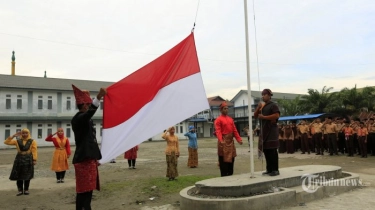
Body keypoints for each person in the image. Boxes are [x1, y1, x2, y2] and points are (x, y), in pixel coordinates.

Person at [71, 84, 106, 210]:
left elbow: (91, 140)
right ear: (85, 106)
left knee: (89, 190)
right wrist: (98, 97)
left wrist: (95, 157)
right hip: (83, 160)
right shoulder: (78, 119)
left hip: (89, 159)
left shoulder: (85, 119)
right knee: (83, 191)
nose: (90, 105)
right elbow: (89, 114)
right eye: (89, 103)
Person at [254, 89, 280, 176]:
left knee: (272, 150)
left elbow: (276, 115)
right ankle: (269, 169)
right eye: (262, 94)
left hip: (271, 131)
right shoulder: (262, 106)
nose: (263, 96)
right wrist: (258, 107)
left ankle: (275, 170)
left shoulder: (273, 105)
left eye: (264, 94)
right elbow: (255, 116)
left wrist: (264, 117)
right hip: (263, 131)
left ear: (269, 95)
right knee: (266, 150)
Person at [4, 128, 37, 196]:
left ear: (28, 133)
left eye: (26, 133)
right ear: (21, 134)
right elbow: (6, 142)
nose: (25, 134)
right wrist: (13, 136)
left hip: (28, 158)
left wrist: (34, 159)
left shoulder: (32, 141)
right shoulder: (17, 141)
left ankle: (26, 189)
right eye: (23, 133)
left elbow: (34, 150)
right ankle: (20, 190)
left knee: (27, 174)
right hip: (19, 158)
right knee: (18, 174)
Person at [214, 102, 243, 177]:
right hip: (223, 143)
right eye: (225, 108)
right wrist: (221, 140)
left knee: (231, 161)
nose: (226, 110)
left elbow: (235, 130)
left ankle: (230, 176)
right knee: (223, 163)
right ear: (221, 110)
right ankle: (223, 178)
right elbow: (218, 131)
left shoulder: (230, 119)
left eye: (227, 108)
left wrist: (239, 139)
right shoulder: (218, 120)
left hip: (230, 143)